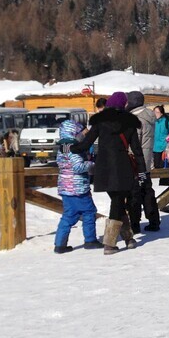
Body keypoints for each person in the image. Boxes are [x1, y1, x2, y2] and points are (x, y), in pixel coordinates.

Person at [70, 91, 146, 254]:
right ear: (123, 105)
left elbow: (85, 144)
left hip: (103, 167)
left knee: (117, 201)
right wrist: (142, 171)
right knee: (117, 203)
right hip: (122, 167)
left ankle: (128, 238)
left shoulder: (100, 121)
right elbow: (137, 151)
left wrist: (70, 148)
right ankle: (110, 244)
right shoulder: (130, 123)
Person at [53, 119, 100, 253]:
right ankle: (90, 240)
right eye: (80, 133)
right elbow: (78, 166)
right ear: (74, 133)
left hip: (65, 187)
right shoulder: (72, 149)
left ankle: (59, 244)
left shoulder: (62, 148)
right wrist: (92, 165)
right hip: (77, 187)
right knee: (89, 212)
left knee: (68, 215)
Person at [125, 91, 161, 233]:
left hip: (136, 163)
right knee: (147, 190)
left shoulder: (136, 119)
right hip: (146, 162)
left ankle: (134, 224)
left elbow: (134, 143)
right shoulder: (149, 116)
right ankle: (154, 220)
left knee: (135, 193)